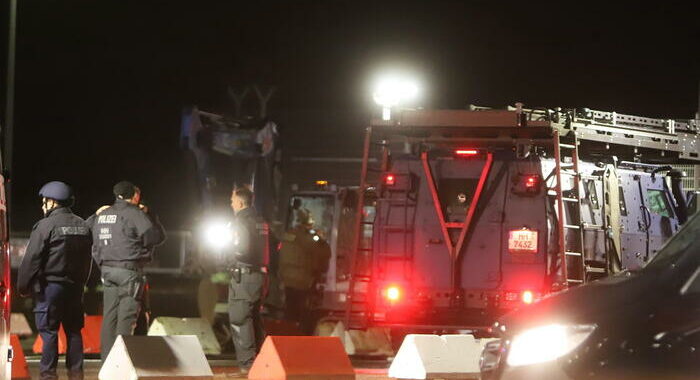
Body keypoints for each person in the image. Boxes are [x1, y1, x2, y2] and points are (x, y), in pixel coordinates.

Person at [17, 181, 92, 380]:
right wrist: (81, 283)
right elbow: (87, 260)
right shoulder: (83, 225)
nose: (43, 206)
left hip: (51, 288)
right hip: (75, 288)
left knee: (49, 332)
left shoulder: (46, 225)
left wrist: (23, 286)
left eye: (45, 202)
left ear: (52, 202)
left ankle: (48, 376)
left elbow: (32, 258)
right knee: (74, 331)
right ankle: (76, 375)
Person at [88, 181, 165, 360]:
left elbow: (93, 240)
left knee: (109, 318)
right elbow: (154, 237)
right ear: (135, 196)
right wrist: (150, 215)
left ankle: (107, 361)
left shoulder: (104, 214)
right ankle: (120, 362)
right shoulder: (134, 213)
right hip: (128, 272)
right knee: (126, 318)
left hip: (107, 271)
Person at [227, 186, 265, 373]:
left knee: (240, 319)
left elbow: (241, 249)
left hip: (244, 276)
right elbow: (277, 246)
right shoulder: (262, 222)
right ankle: (262, 361)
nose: (231, 203)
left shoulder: (239, 223)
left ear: (240, 203)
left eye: (232, 200)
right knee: (255, 320)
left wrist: (227, 255)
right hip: (260, 276)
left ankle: (248, 366)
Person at [278, 208, 331, 333]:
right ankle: (300, 335)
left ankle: (287, 334)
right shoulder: (307, 238)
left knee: (290, 309)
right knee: (304, 312)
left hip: (287, 279)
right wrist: (321, 239)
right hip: (302, 281)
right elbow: (324, 253)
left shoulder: (288, 234)